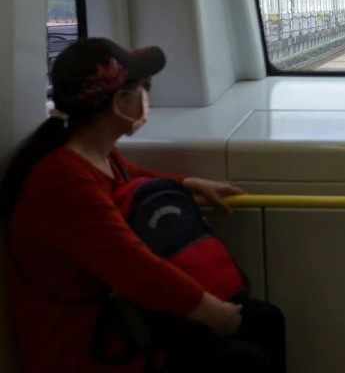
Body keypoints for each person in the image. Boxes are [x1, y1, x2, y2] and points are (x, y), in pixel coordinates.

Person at [0, 38, 286, 372]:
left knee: (265, 319)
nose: (148, 99)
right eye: (143, 88)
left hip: (124, 317)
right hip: (90, 348)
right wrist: (215, 313)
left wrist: (187, 183)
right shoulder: (63, 182)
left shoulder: (94, 152)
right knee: (242, 359)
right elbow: (137, 270)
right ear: (118, 101)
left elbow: (129, 177)